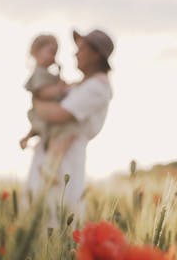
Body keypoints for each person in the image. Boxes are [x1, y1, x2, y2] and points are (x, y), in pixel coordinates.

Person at [27, 29, 114, 227]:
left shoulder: (97, 88)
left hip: (65, 164)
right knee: (39, 220)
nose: (75, 53)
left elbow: (58, 115)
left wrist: (36, 98)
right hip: (49, 155)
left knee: (56, 221)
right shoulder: (83, 85)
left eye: (81, 49)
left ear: (96, 54)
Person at [20, 34, 80, 185]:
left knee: (60, 137)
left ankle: (49, 166)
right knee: (67, 134)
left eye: (56, 53)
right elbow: (43, 93)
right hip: (43, 118)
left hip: (44, 118)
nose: (54, 56)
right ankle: (48, 166)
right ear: (36, 52)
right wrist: (62, 88)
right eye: (51, 52)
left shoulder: (48, 74)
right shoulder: (38, 74)